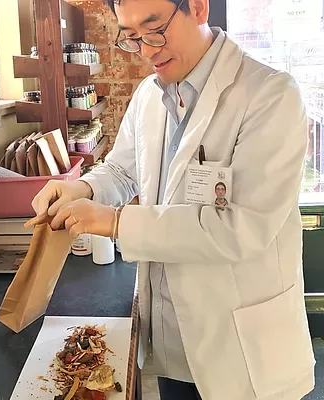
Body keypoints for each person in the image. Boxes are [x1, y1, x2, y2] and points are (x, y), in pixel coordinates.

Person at [32, 0, 316, 399]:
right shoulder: (151, 95)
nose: (147, 50)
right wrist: (83, 188)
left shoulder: (269, 95)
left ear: (198, 8)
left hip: (240, 349)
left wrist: (114, 223)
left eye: (154, 29)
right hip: (172, 341)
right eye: (131, 36)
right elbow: (122, 169)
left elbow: (241, 228)